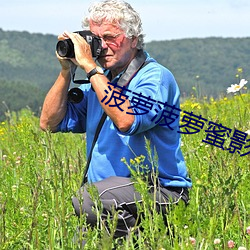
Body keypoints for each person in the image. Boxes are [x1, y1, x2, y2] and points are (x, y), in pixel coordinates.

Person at [40, 0, 192, 244]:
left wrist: (90, 68)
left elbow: (126, 120)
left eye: (110, 37)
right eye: (96, 39)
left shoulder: (154, 77)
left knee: (88, 199)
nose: (102, 47)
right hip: (110, 199)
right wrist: (66, 70)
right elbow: (49, 123)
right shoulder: (99, 83)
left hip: (159, 191)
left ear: (133, 39)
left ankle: (147, 241)